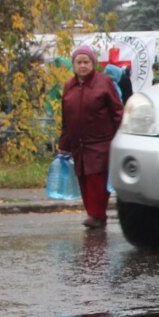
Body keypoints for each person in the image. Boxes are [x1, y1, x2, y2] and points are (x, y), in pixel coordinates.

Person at [59, 45, 124, 228]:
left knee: (97, 179)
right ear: (73, 65)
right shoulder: (69, 86)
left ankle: (97, 215)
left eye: (86, 62)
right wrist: (63, 143)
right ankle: (93, 214)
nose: (82, 66)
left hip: (101, 142)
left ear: (93, 63)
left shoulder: (104, 83)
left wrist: (121, 136)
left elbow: (117, 111)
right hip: (78, 143)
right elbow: (65, 117)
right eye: (79, 62)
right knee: (83, 178)